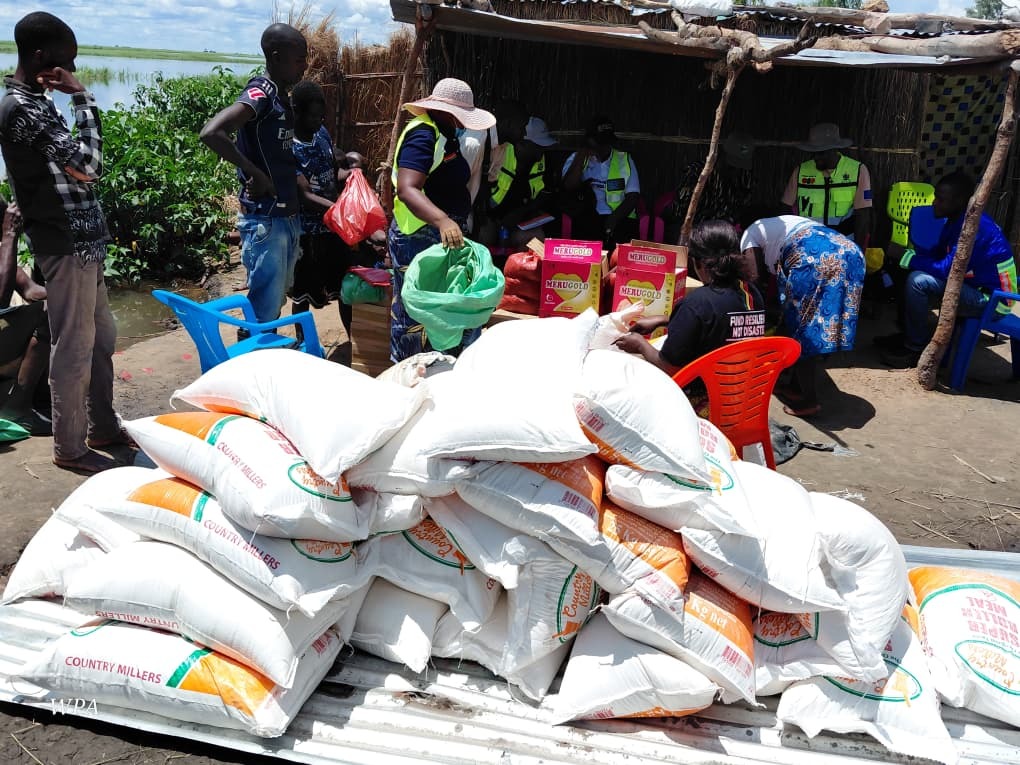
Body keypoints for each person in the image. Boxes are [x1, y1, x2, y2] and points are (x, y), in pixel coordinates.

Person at [0, 11, 131, 473]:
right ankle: (70, 447)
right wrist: (83, 97)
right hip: (64, 242)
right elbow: (88, 165)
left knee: (100, 338)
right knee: (73, 346)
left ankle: (102, 425)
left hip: (84, 241)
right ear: (41, 58)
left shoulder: (36, 102)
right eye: (67, 61)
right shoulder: (21, 109)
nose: (71, 70)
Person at [200, 23, 307, 326]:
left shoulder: (281, 97)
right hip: (266, 218)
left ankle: (261, 360)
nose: (304, 66)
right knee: (264, 308)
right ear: (275, 57)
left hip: (283, 216)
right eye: (298, 59)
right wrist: (255, 174)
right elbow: (211, 132)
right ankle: (253, 366)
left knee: (273, 304)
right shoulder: (261, 93)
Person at [388, 77, 496, 362]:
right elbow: (407, 187)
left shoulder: (443, 133)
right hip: (419, 236)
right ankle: (410, 369)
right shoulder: (424, 134)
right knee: (417, 310)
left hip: (435, 236)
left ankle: (437, 367)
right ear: (449, 112)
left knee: (438, 308)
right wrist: (442, 221)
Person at [615, 221, 765, 414]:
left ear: (698, 263)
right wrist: (665, 319)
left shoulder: (696, 303)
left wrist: (639, 345)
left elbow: (670, 369)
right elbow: (723, 321)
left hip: (706, 404)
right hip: (745, 398)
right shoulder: (751, 293)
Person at [879, 171, 1018, 368]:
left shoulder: (972, 229)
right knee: (906, 272)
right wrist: (906, 257)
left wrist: (906, 257)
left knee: (917, 282)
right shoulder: (956, 220)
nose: (934, 203)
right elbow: (938, 254)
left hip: (994, 301)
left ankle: (915, 348)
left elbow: (947, 270)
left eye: (941, 199)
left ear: (959, 202)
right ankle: (908, 335)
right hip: (975, 287)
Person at [741, 215, 865, 417]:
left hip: (815, 255)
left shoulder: (749, 235)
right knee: (813, 325)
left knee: (801, 330)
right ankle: (795, 387)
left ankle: (809, 401)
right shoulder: (782, 225)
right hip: (851, 254)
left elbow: (755, 279)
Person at [287, 80, 358, 341]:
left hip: (333, 229)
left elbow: (332, 171)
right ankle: (304, 345)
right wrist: (343, 211)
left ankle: (352, 339)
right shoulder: (289, 148)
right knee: (302, 295)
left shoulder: (322, 134)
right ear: (296, 112)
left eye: (321, 116)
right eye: (313, 116)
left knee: (344, 289)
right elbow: (304, 195)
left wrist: (349, 175)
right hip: (307, 233)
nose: (318, 121)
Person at [479, 102, 558, 259]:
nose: (542, 150)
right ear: (522, 144)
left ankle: (524, 280)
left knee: (536, 240)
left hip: (522, 220)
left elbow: (546, 193)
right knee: (482, 236)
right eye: (537, 146)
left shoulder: (543, 161)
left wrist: (522, 213)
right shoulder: (499, 152)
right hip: (492, 217)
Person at [0, 200, 50, 435]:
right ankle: (17, 408)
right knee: (44, 317)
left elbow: (32, 290)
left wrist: (72, 292)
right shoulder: (6, 243)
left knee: (53, 309)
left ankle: (36, 399)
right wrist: (10, 237)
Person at [781, 123, 873, 246]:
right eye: (813, 152)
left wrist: (858, 252)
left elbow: (863, 216)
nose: (816, 157)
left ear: (834, 150)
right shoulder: (801, 171)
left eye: (821, 153)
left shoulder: (858, 171)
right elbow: (785, 209)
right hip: (808, 246)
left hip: (843, 247)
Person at [561, 115, 640, 248]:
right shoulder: (577, 159)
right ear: (590, 140)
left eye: (607, 142)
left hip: (619, 218)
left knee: (620, 250)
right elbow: (568, 186)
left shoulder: (624, 159)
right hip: (587, 218)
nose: (605, 146)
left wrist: (614, 219)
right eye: (600, 142)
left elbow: (633, 197)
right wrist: (583, 154)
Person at [663, 132, 755, 244]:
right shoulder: (696, 172)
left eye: (739, 166)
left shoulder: (744, 178)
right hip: (692, 230)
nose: (735, 170)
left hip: (722, 234)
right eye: (731, 166)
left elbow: (742, 210)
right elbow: (680, 210)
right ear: (721, 154)